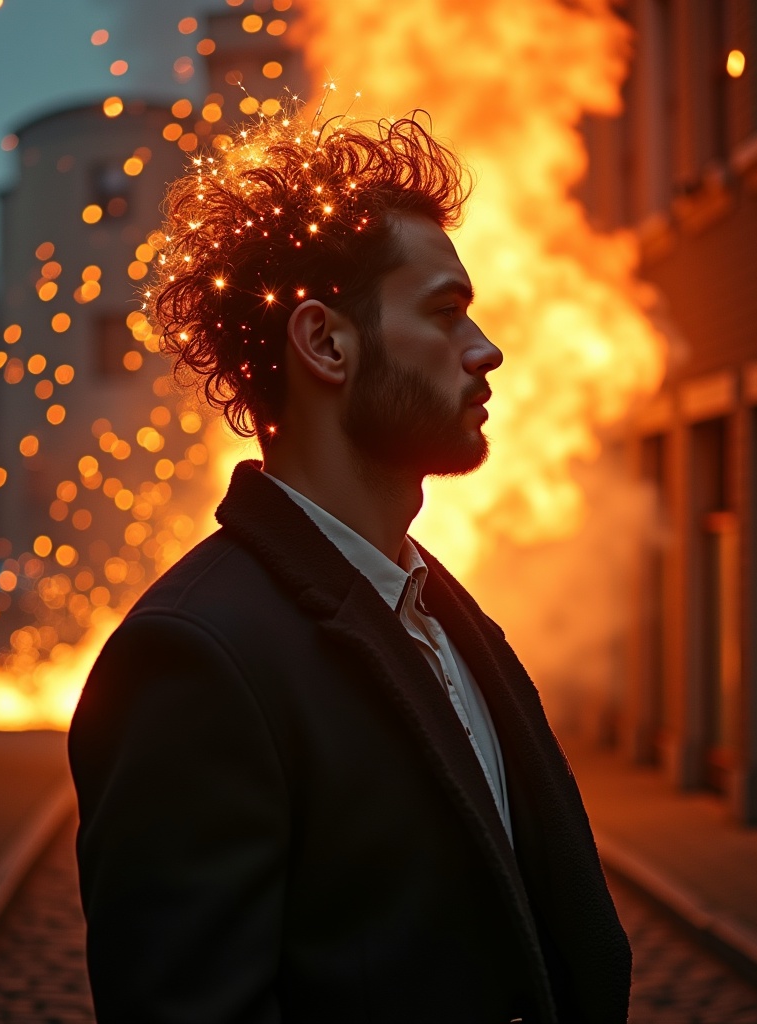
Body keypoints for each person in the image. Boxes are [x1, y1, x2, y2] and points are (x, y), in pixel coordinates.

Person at [69, 110, 631, 1024]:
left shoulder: (439, 609)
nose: (486, 349)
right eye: (446, 312)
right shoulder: (194, 659)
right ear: (325, 343)